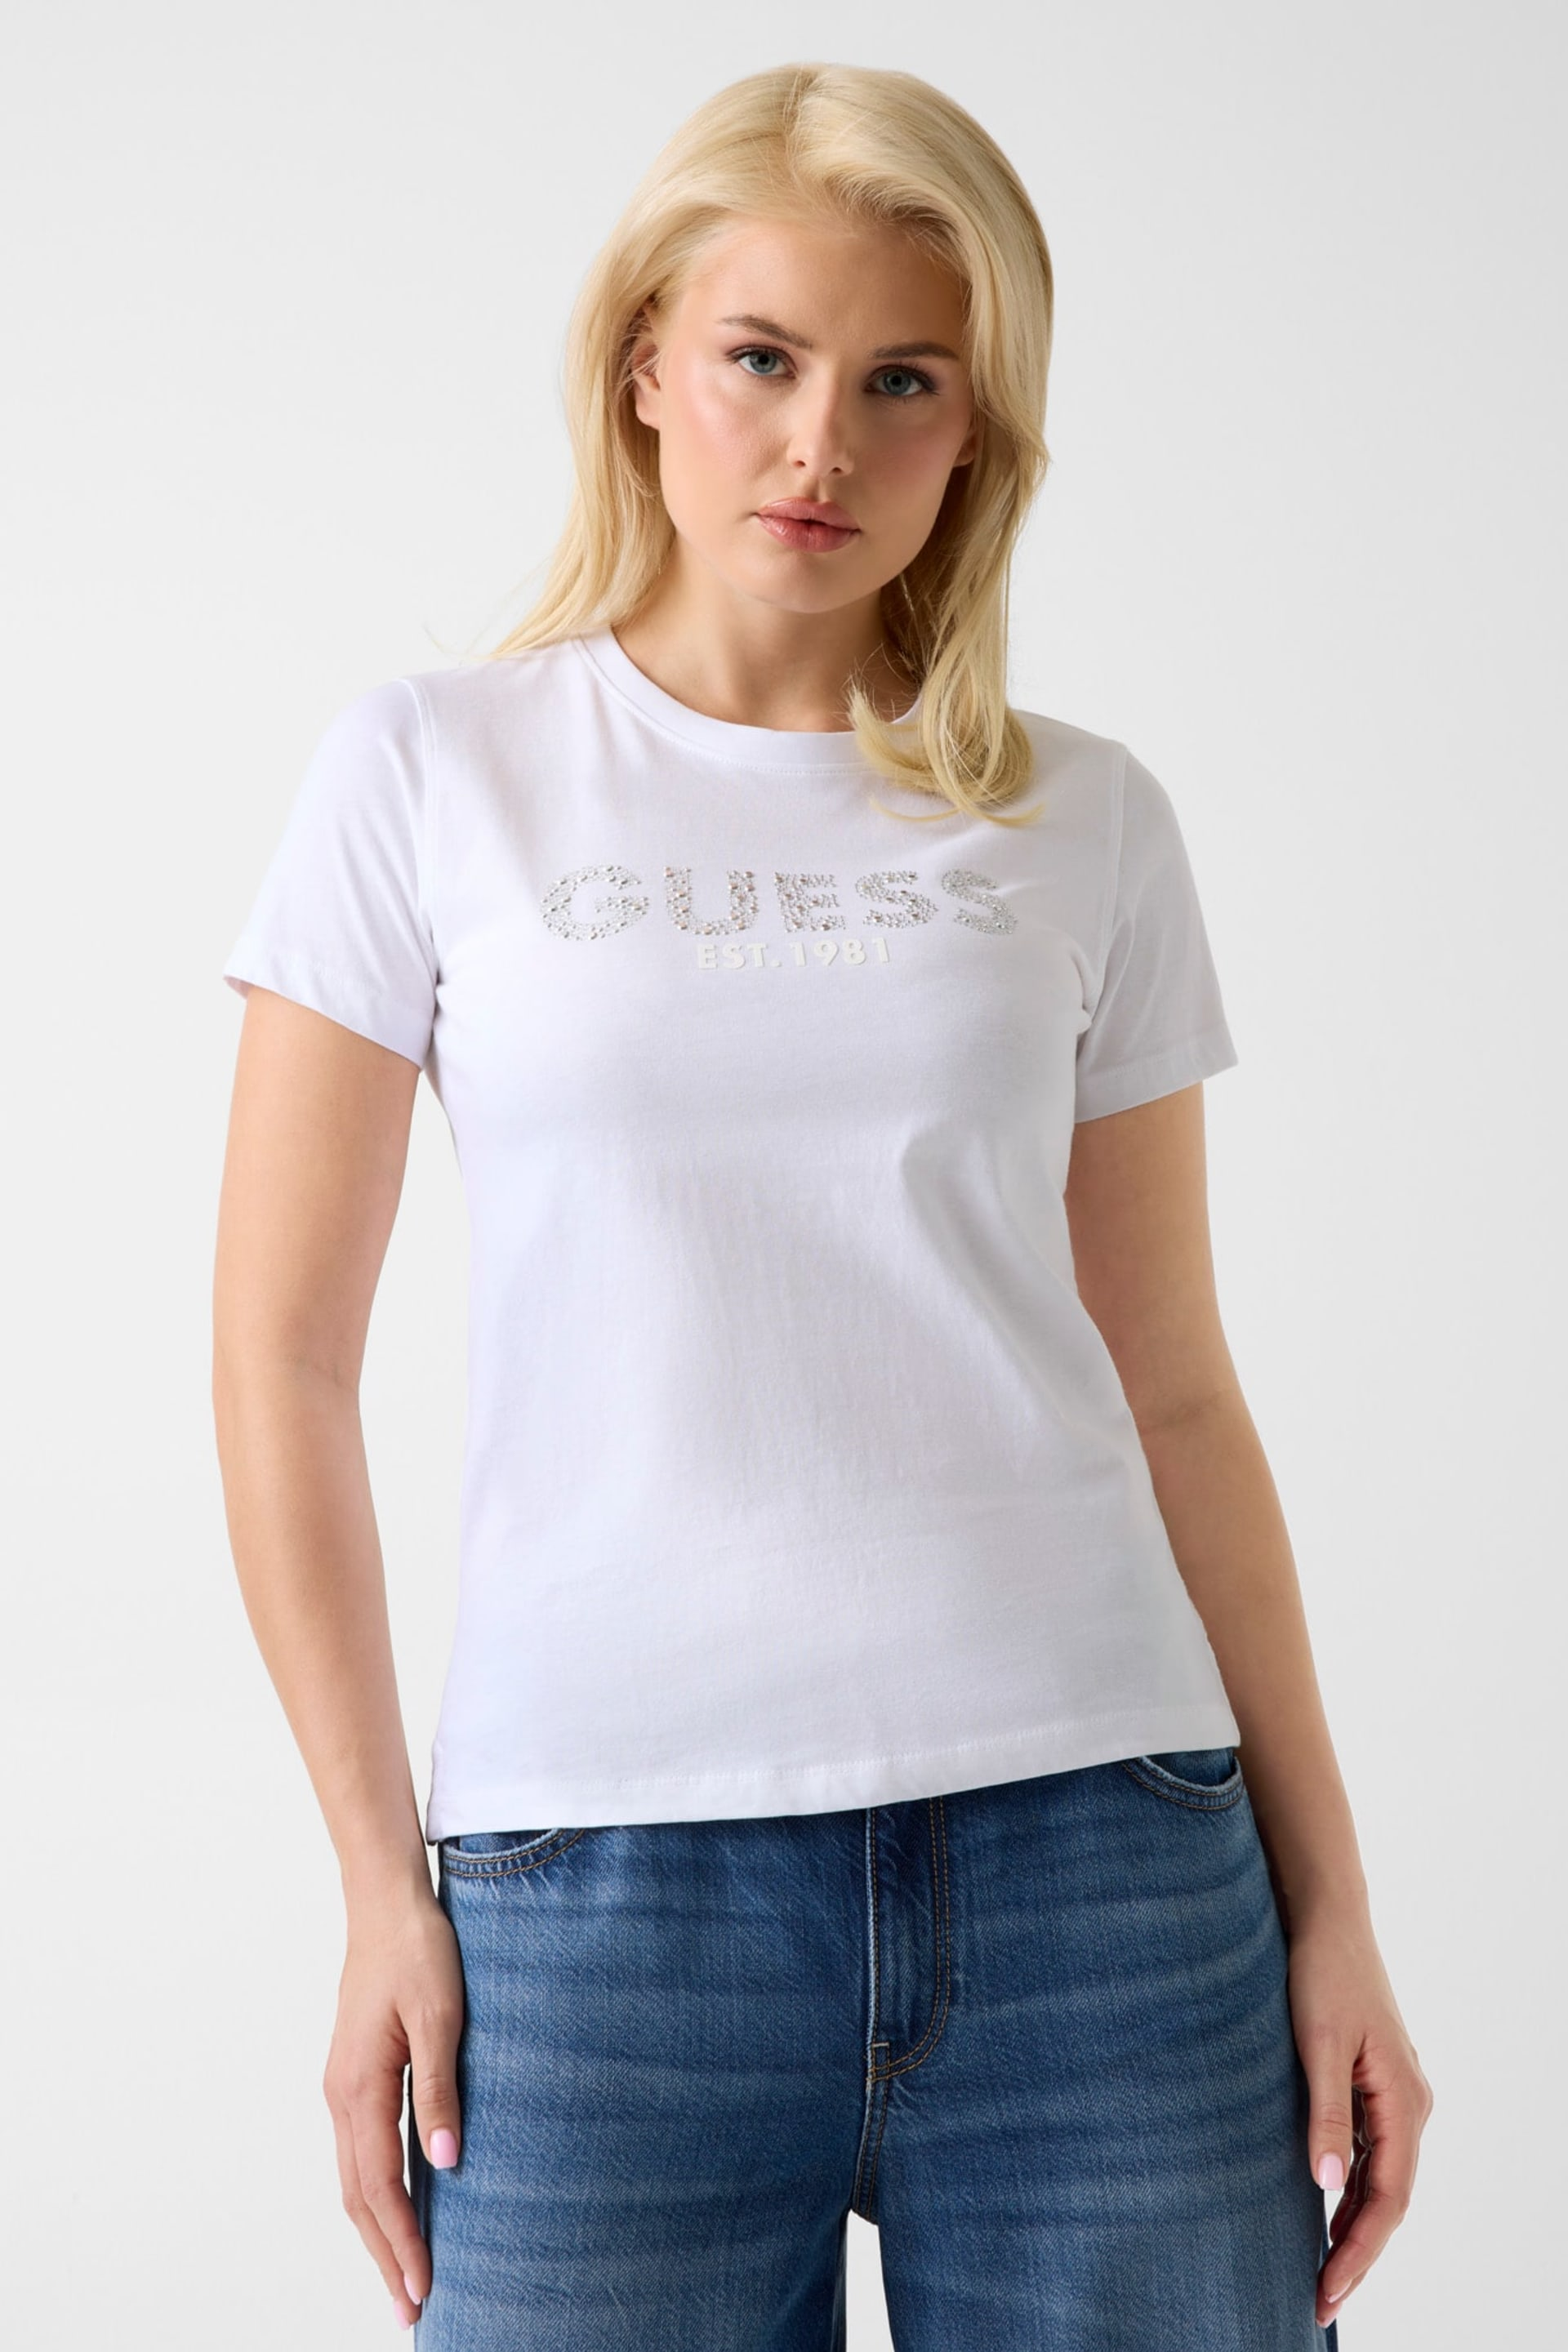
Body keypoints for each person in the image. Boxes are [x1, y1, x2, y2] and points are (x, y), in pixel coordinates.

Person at [212, 60, 1432, 2351]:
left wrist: (1332, 1901)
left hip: (1107, 1868)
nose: (819, 444)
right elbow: (280, 1366)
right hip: (598, 1904)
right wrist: (378, 1883)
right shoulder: (432, 775)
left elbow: (1177, 1388)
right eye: (762, 358)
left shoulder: (1085, 818)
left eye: (903, 382)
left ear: (978, 433)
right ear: (642, 365)